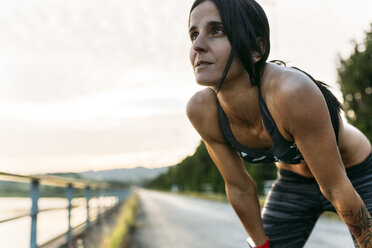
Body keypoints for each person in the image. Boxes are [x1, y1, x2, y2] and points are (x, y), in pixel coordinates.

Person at [185, 0, 372, 247]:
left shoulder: (290, 92)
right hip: (293, 183)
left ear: (256, 48)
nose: (197, 45)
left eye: (216, 30)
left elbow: (337, 187)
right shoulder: (202, 111)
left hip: (353, 174)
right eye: (193, 34)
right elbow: (239, 187)